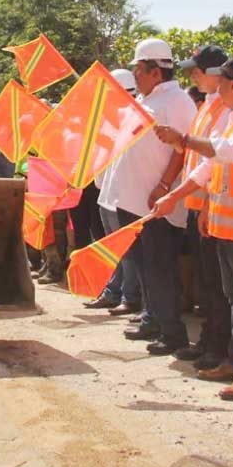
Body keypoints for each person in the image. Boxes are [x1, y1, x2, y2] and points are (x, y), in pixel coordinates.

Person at [153, 58, 233, 400]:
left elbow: (227, 153)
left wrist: (184, 140)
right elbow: (209, 169)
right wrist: (174, 197)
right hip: (229, 227)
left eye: (221, 84)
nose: (217, 89)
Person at [104, 39, 196, 354]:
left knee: (160, 268)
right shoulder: (149, 99)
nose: (136, 76)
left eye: (139, 70)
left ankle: (172, 332)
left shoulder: (177, 102)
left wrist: (164, 185)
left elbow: (183, 150)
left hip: (158, 204)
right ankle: (152, 319)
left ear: (156, 72)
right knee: (144, 267)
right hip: (134, 201)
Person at [169, 45, 232, 371]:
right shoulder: (208, 104)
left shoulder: (225, 107)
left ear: (216, 72)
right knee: (207, 283)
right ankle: (208, 339)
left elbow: (216, 160)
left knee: (217, 284)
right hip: (197, 205)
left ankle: (219, 345)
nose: (192, 74)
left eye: (197, 69)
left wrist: (206, 203)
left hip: (211, 205)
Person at [86, 68, 145, 314]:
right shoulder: (108, 121)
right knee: (113, 250)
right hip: (107, 193)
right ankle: (113, 291)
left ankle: (129, 297)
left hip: (125, 196)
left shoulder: (136, 119)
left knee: (128, 252)